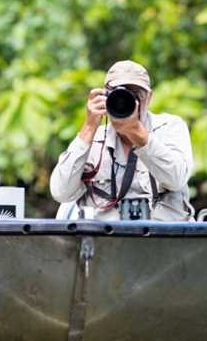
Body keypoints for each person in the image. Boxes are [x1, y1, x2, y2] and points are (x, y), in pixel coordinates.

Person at [50, 60, 194, 221]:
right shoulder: (94, 138)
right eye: (121, 95)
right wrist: (89, 126)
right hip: (108, 242)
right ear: (105, 97)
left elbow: (176, 179)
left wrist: (137, 132)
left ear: (149, 97)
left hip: (165, 239)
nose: (128, 102)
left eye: (136, 94)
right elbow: (60, 192)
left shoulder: (170, 127)